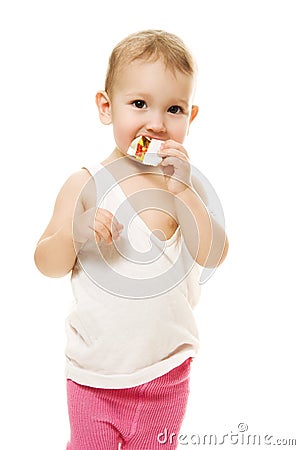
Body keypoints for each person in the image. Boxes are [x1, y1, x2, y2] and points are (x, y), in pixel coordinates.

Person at [34, 29, 228, 450]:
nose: (156, 123)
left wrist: (184, 193)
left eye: (173, 109)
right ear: (107, 107)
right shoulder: (85, 183)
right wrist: (75, 231)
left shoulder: (182, 189)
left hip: (166, 374)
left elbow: (213, 254)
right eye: (139, 104)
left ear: (190, 118)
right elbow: (45, 261)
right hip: (94, 378)